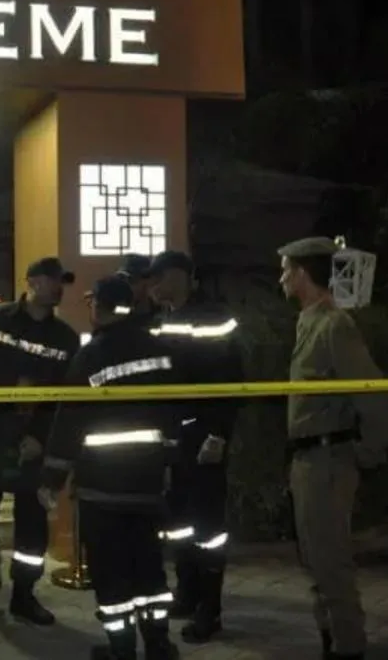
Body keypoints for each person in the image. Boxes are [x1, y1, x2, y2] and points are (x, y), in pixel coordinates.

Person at [40, 275, 183, 660]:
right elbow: (175, 414)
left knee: (111, 572)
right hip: (148, 483)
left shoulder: (91, 356)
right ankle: (158, 643)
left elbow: (69, 422)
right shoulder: (160, 350)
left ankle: (122, 648)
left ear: (99, 307)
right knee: (149, 566)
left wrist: (52, 478)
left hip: (102, 486)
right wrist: (170, 462)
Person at [279, 236, 388, 660]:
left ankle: (349, 648)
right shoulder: (308, 321)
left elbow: (374, 396)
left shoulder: (334, 325)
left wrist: (367, 451)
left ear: (303, 273)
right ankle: (332, 638)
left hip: (328, 460)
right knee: (314, 560)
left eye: (286, 270)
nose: (281, 278)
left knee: (330, 562)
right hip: (308, 458)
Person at [0, 256, 79, 625]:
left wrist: (40, 438)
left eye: (62, 282)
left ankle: (24, 594)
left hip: (34, 445)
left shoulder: (65, 338)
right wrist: (12, 393)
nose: (58, 288)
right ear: (32, 282)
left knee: (32, 526)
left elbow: (66, 399)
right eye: (52, 280)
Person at [147, 250, 243, 643]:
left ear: (178, 276)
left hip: (203, 437)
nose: (153, 287)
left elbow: (230, 380)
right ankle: (187, 593)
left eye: (158, 278)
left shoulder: (214, 318)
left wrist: (218, 435)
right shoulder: (162, 319)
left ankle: (210, 609)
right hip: (174, 439)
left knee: (207, 528)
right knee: (178, 525)